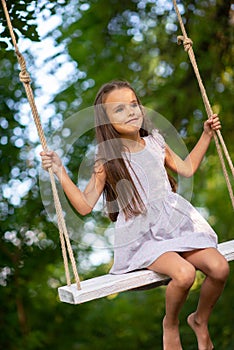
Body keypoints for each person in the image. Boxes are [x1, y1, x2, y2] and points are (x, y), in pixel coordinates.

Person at [40, 81, 229, 350]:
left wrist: (207, 135)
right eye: (119, 109)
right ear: (106, 121)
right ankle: (171, 324)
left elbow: (186, 169)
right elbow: (84, 205)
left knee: (220, 268)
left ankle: (199, 320)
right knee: (185, 274)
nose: (130, 111)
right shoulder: (106, 158)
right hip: (145, 238)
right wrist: (60, 171)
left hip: (176, 227)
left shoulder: (156, 142)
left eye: (133, 104)